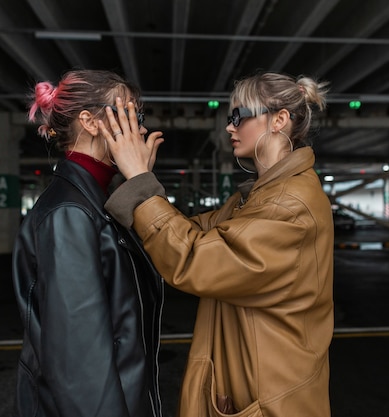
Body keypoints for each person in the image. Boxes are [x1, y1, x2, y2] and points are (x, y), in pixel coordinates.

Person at [101, 71, 334, 417]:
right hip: (257, 391)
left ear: (279, 120)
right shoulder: (259, 197)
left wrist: (139, 180)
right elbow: (187, 233)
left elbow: (194, 259)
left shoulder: (288, 207)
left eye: (238, 117)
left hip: (272, 402)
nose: (229, 127)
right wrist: (142, 187)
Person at [11, 69, 164, 417]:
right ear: (90, 121)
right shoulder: (70, 213)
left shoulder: (94, 202)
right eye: (132, 115)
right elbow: (80, 365)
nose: (140, 128)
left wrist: (136, 189)